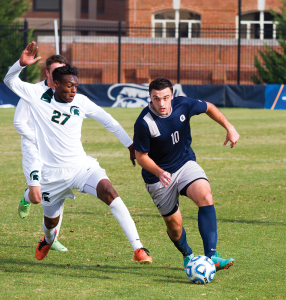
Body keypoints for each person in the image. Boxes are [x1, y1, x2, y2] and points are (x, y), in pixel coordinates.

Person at [4, 42, 152, 264]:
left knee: (110, 193)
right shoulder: (35, 94)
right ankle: (46, 240)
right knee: (50, 223)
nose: (73, 90)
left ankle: (138, 248)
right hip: (51, 175)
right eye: (68, 86)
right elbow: (10, 81)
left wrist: (130, 145)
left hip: (82, 167)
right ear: (54, 84)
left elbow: (108, 121)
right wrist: (20, 65)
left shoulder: (81, 102)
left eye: (76, 86)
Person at [133, 77, 240, 271]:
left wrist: (229, 127)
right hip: (157, 176)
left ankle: (211, 256)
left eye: (166, 98)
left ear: (172, 96)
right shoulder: (144, 122)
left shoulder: (183, 104)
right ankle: (187, 255)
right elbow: (141, 157)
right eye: (156, 99)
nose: (162, 103)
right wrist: (159, 171)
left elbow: (209, 107)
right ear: (150, 97)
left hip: (184, 164)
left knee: (205, 194)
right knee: (175, 226)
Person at [14, 54, 68, 252]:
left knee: (58, 190)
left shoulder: (66, 93)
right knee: (38, 197)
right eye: (55, 72)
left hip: (56, 152)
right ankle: (26, 197)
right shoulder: (33, 91)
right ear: (47, 73)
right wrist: (39, 139)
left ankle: (52, 238)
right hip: (33, 148)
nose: (58, 76)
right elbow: (19, 122)